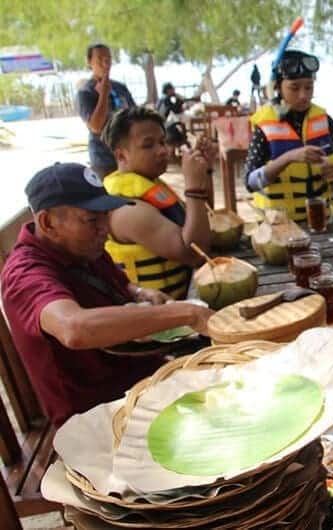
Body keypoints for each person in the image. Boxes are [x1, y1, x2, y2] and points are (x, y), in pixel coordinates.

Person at [0, 163, 214, 426]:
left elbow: (121, 285)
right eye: (91, 220)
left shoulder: (82, 246)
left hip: (140, 378)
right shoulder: (26, 274)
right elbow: (74, 327)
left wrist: (139, 292)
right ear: (47, 222)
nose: (105, 227)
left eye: (105, 215)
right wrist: (185, 313)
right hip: (97, 415)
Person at [101, 106, 213, 299]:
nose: (162, 151)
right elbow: (196, 253)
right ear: (121, 155)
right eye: (148, 145)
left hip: (184, 300)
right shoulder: (127, 210)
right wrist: (193, 187)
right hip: (157, 319)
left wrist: (205, 173)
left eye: (162, 142)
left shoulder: (151, 184)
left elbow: (204, 217)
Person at [244, 50, 333, 221]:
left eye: (309, 87)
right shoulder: (264, 124)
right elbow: (251, 183)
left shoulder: (324, 120)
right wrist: (288, 158)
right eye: (294, 88)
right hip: (280, 225)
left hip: (323, 220)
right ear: (278, 87)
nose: (303, 95)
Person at [76, 43, 135, 178]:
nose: (105, 63)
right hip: (103, 158)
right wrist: (103, 95)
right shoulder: (86, 92)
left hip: (128, 154)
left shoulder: (120, 87)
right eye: (100, 59)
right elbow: (95, 127)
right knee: (109, 194)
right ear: (89, 62)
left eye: (108, 58)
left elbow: (134, 115)